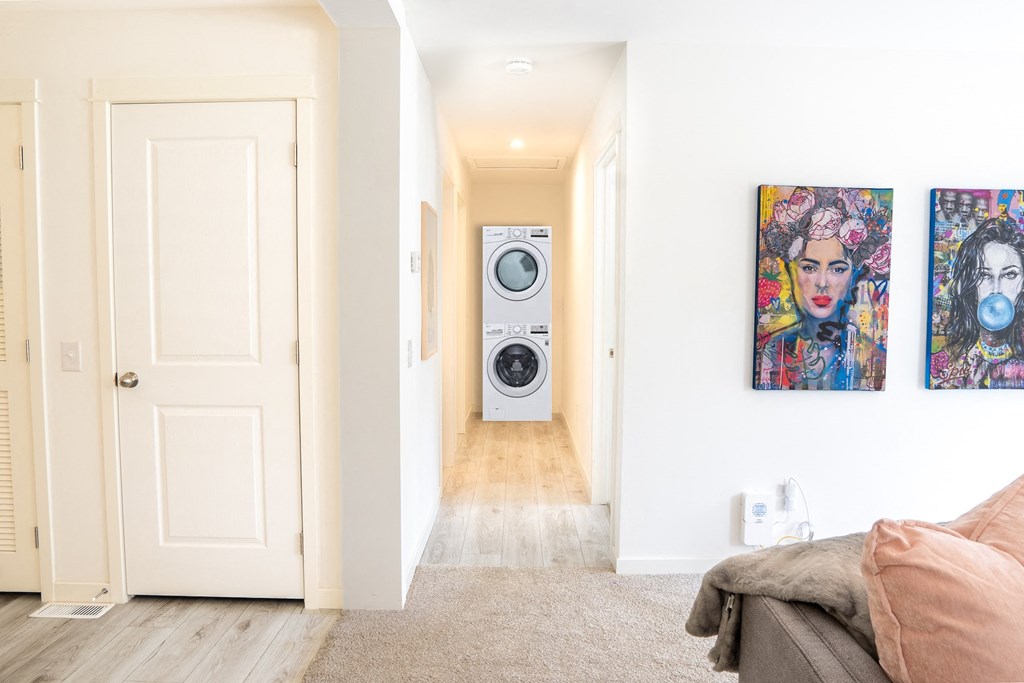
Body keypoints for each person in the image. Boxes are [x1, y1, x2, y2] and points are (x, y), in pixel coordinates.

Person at [754, 186, 891, 390]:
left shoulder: (872, 359)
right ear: (791, 271)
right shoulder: (769, 353)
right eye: (809, 267)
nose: (822, 282)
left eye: (837, 269)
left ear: (854, 275)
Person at [932, 218, 1024, 388]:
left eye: (1010, 274)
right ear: (970, 286)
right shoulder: (943, 363)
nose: (996, 289)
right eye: (984, 275)